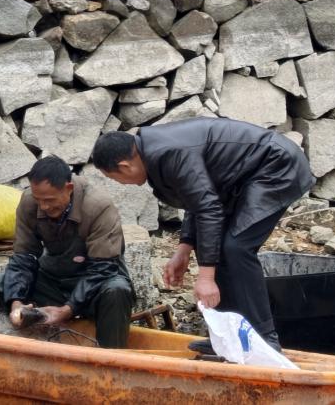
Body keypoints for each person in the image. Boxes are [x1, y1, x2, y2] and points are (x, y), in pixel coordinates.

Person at [92, 118, 314, 348]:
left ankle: (263, 338)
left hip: (277, 166)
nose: (121, 184)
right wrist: (184, 249)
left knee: (236, 248)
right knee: (213, 245)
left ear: (124, 166)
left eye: (114, 178)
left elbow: (208, 208)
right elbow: (197, 200)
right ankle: (226, 337)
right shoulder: (154, 152)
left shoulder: (168, 153)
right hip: (244, 177)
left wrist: (206, 279)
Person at [0, 155, 134, 349]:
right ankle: (7, 350)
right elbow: (24, 257)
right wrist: (16, 302)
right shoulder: (29, 201)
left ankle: (110, 360)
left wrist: (67, 310)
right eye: (39, 200)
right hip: (54, 278)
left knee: (117, 291)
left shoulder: (98, 206)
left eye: (49, 200)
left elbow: (103, 269)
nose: (43, 207)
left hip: (95, 282)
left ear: (69, 189)